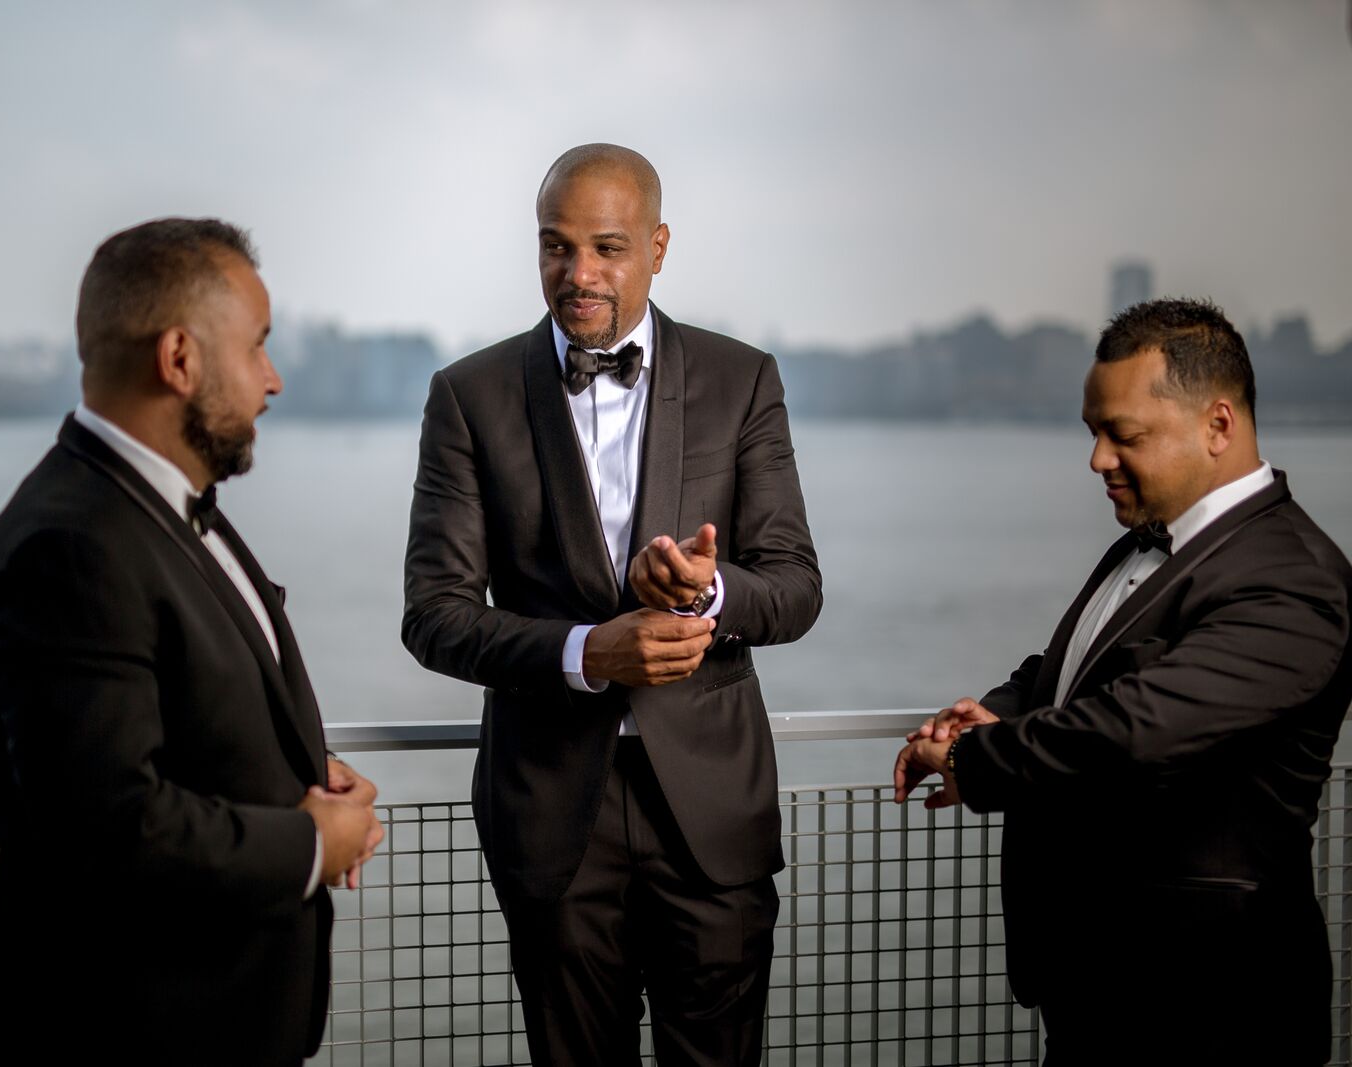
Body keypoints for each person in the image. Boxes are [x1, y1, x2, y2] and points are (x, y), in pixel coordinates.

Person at [402, 144, 822, 1065]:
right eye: (556, 247)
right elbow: (432, 613)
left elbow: (794, 585)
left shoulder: (742, 378)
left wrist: (708, 590)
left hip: (711, 811)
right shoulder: (467, 396)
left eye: (607, 248)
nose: (578, 274)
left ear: (659, 247)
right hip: (553, 814)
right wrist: (588, 651)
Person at [0, 218, 382, 1066]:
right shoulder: (68, 548)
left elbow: (188, 707)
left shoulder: (161, 509)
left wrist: (293, 769)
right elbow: (108, 829)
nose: (274, 379)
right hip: (132, 1034)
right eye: (257, 347)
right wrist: (310, 844)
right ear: (180, 359)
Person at [894, 298, 1352, 1066]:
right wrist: (997, 709)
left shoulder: (1295, 581)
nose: (1098, 458)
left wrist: (976, 760)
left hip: (1213, 1006)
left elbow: (1136, 727)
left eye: (1125, 436)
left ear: (1218, 426)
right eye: (1094, 432)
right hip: (1099, 988)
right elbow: (1077, 667)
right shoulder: (1148, 534)